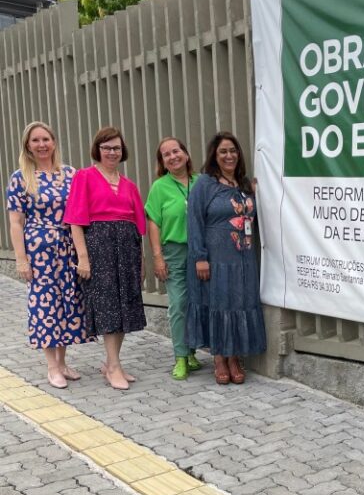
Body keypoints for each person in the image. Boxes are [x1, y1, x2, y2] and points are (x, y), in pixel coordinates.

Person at [6, 122, 92, 388]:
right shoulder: (21, 177)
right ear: (28, 146)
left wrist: (82, 253)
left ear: (54, 142)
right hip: (40, 249)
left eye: (46, 139)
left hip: (67, 246)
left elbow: (79, 213)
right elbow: (16, 222)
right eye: (36, 140)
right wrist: (21, 259)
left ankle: (63, 362)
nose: (41, 145)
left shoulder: (70, 174)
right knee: (46, 304)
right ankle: (52, 366)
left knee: (68, 301)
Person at [64, 127, 147, 391]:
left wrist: (141, 261)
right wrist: (83, 258)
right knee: (109, 306)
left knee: (123, 308)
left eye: (117, 148)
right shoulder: (84, 177)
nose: (112, 152)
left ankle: (113, 362)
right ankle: (112, 367)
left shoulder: (129, 185)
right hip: (99, 246)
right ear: (97, 150)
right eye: (107, 147)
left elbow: (138, 227)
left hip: (127, 248)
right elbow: (75, 221)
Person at [186, 131, 266, 385]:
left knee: (238, 305)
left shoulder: (243, 184)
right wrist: (200, 257)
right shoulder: (205, 184)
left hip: (243, 259)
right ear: (214, 155)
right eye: (223, 151)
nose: (229, 155)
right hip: (216, 258)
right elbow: (195, 221)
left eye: (233, 151)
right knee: (219, 305)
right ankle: (220, 358)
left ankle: (234, 357)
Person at [145, 137, 201, 380]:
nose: (172, 156)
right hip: (174, 251)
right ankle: (180, 356)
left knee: (196, 303)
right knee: (178, 304)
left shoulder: (201, 183)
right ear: (163, 162)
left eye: (176, 151)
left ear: (186, 154)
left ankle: (191, 351)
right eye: (166, 155)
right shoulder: (160, 187)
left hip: (200, 252)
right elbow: (153, 222)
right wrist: (157, 257)